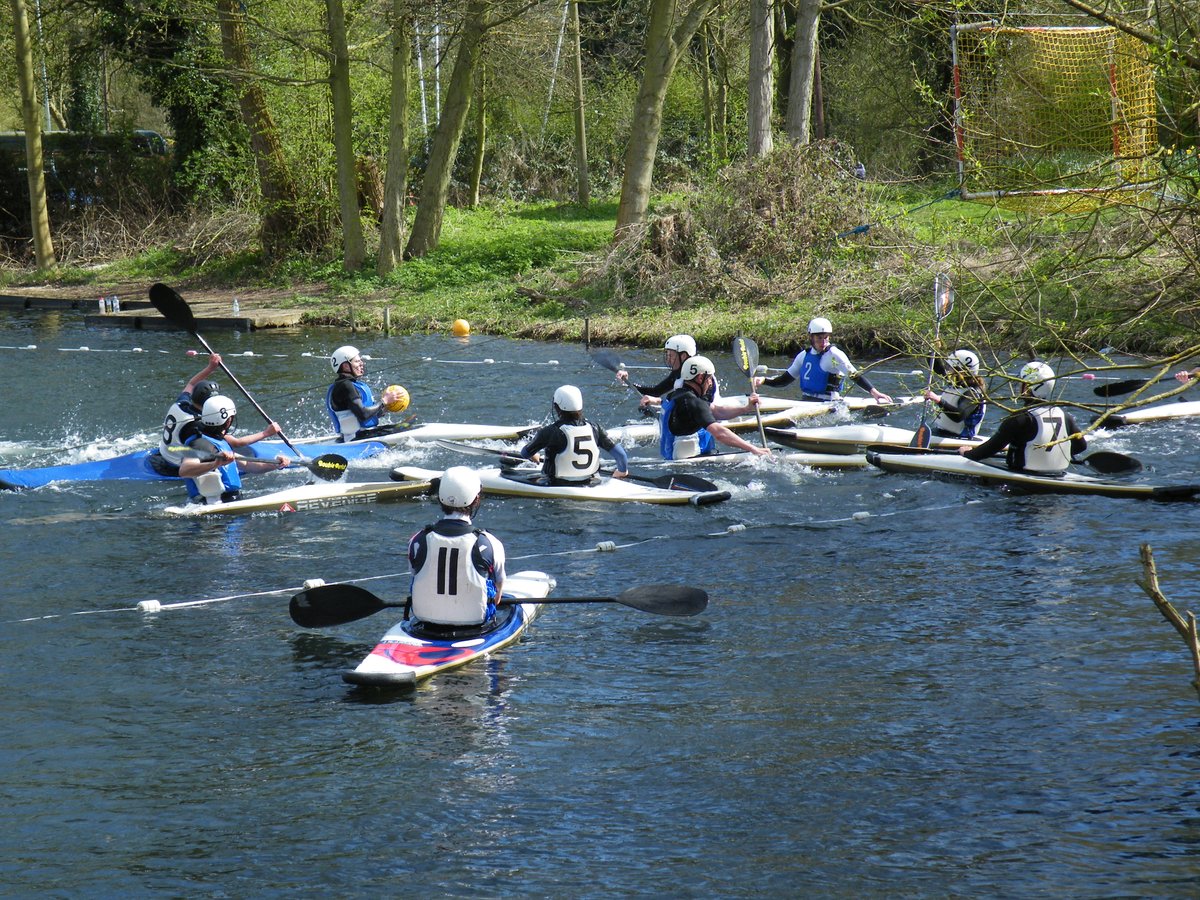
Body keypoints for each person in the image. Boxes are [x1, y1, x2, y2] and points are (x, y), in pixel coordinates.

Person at [407, 467, 506, 629]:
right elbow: (498, 594)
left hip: (426, 623)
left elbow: (415, 577)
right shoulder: (490, 543)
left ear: (440, 499)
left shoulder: (417, 540)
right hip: (475, 624)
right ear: (476, 499)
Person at [157, 353, 281, 473]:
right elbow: (237, 443)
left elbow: (191, 384)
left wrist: (210, 368)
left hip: (165, 452)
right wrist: (266, 433)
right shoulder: (198, 425)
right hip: (177, 464)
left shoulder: (181, 403)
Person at [958, 362, 1085, 473]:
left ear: (1027, 387)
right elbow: (1081, 446)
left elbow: (992, 448)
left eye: (1022, 383)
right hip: (1057, 474)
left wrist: (967, 453)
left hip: (1021, 479)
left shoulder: (1021, 418)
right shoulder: (1066, 416)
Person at [177, 396, 291, 504]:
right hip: (213, 505)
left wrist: (275, 463)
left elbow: (248, 465)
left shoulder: (219, 439)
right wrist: (215, 464)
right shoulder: (200, 443)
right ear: (228, 421)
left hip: (229, 501)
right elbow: (184, 470)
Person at [753, 317, 892, 404]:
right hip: (806, 401)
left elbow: (854, 375)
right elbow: (784, 380)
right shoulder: (803, 355)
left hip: (828, 404)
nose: (823, 342)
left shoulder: (835, 355)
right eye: (819, 338)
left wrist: (875, 393)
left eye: (826, 337)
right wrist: (764, 381)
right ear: (811, 337)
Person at [660, 356, 773, 460]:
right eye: (709, 378)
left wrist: (746, 408)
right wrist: (754, 449)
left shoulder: (676, 396)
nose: (710, 383)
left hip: (675, 458)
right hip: (690, 464)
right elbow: (720, 433)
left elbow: (718, 411)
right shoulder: (694, 403)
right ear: (700, 378)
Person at [519, 385, 630, 484]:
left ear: (557, 407)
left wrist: (534, 456)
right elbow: (621, 456)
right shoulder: (595, 428)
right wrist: (622, 472)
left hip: (556, 483)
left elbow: (525, 453)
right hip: (589, 481)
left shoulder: (551, 431)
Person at [615, 334, 721, 411]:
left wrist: (660, 402)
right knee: (644, 409)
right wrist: (628, 382)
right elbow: (656, 391)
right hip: (688, 413)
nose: (668, 359)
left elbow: (701, 404)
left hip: (708, 415)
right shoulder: (679, 372)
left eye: (671, 356)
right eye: (667, 355)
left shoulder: (701, 374)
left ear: (683, 356)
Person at [326, 345, 406, 442]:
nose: (361, 364)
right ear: (345, 366)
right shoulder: (345, 386)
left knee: (403, 426)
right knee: (405, 429)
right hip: (355, 439)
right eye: (357, 361)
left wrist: (384, 409)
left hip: (361, 435)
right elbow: (363, 414)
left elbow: (361, 414)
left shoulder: (348, 384)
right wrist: (384, 401)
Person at [923, 348, 988, 439]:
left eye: (950, 368)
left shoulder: (973, 394)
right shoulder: (957, 382)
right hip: (943, 433)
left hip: (960, 438)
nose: (948, 370)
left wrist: (938, 400)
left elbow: (958, 416)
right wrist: (932, 351)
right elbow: (939, 368)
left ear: (961, 371)